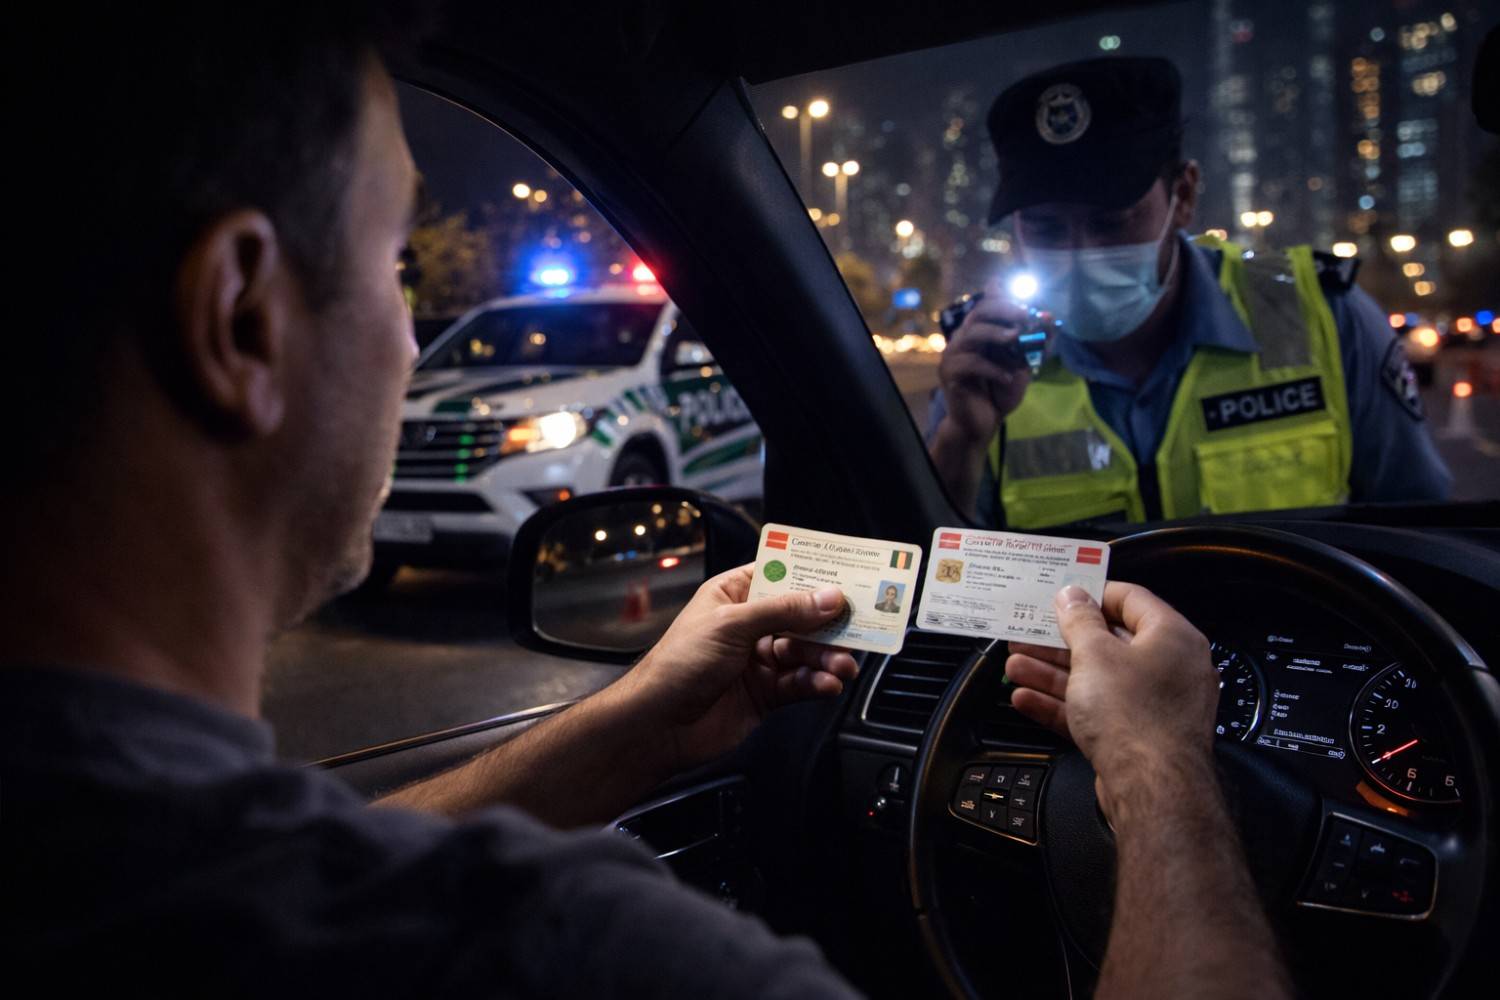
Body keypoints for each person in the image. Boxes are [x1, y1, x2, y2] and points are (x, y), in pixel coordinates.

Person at [1, 8, 1287, 998]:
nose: (412, 341)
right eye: (397, 266)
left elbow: (275, 860)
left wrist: (640, 719)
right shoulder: (567, 954)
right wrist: (1163, 766)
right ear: (241, 319)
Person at [928, 57, 1452, 529]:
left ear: (1183, 196)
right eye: (1044, 230)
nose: (1078, 255)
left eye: (1111, 223)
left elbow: (1422, 535)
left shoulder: (1327, 318)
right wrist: (962, 440)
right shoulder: (987, 359)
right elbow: (940, 586)